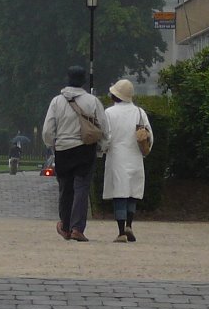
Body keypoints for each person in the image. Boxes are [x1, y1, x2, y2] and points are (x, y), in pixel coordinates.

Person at [42, 65, 108, 242]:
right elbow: (103, 127)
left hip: (63, 149)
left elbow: (48, 130)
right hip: (85, 149)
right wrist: (102, 147)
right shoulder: (92, 101)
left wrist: (52, 144)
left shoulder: (57, 101)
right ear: (83, 81)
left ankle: (65, 225)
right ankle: (77, 228)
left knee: (65, 189)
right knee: (81, 188)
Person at [101, 79, 153, 243]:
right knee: (132, 193)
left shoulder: (109, 113)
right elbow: (149, 135)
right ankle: (130, 224)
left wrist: (102, 150)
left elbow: (106, 138)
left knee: (119, 194)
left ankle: (121, 231)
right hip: (135, 157)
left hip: (117, 158)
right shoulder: (139, 112)